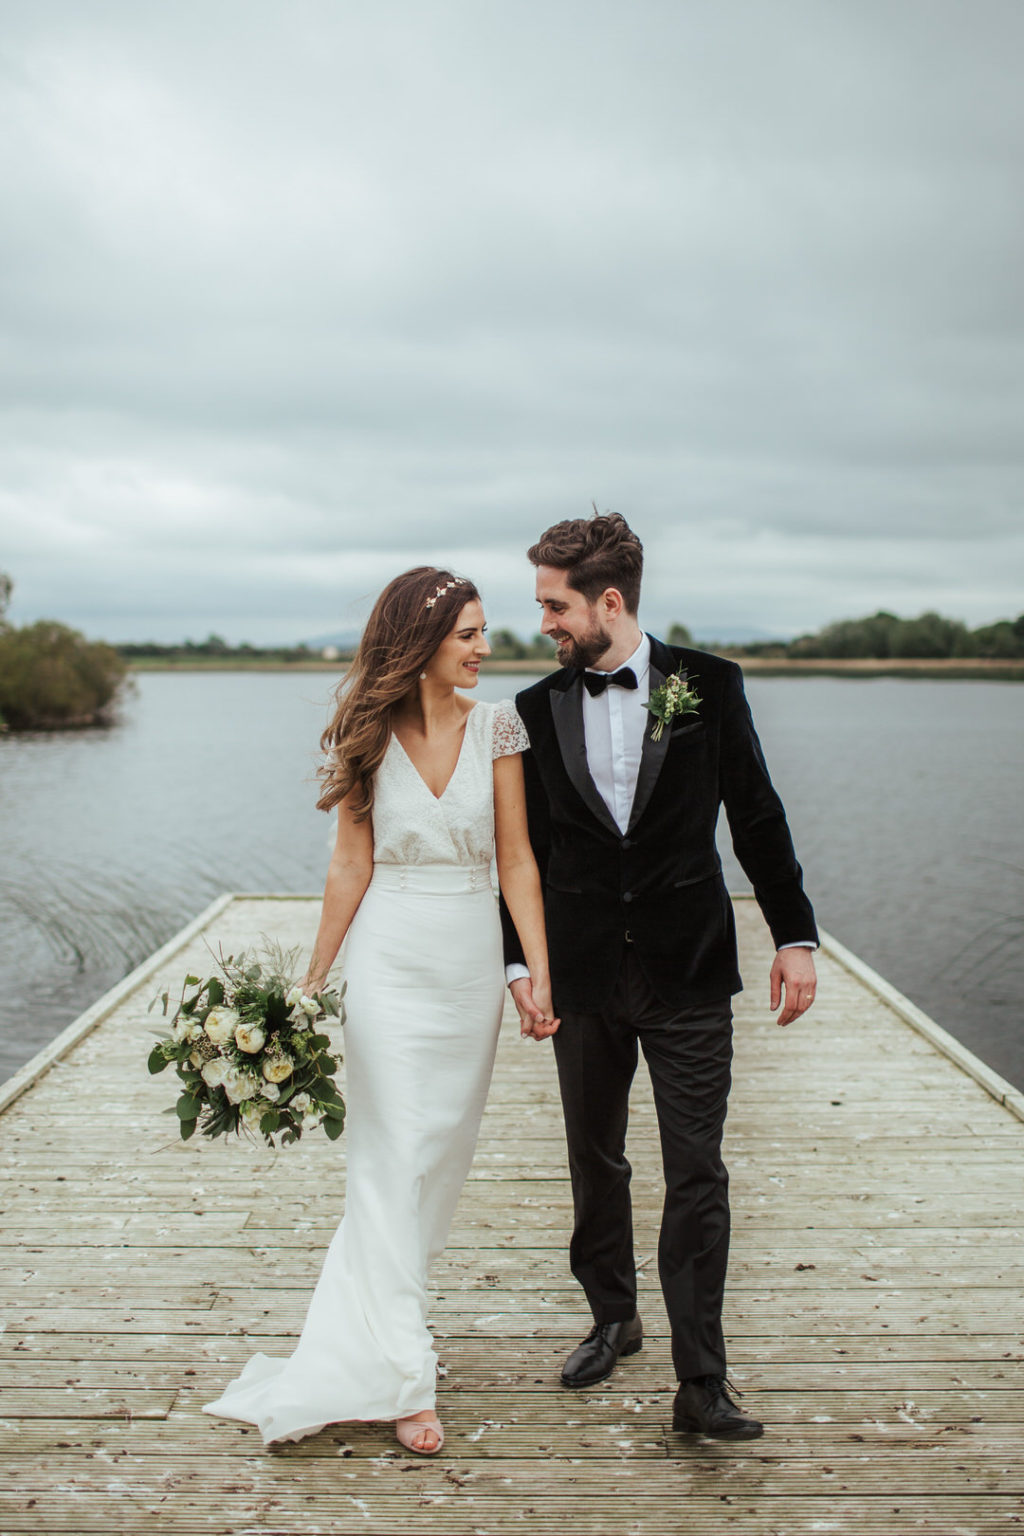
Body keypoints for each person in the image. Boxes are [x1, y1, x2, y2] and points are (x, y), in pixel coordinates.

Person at [204, 567, 557, 1455]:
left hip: (468, 971)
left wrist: (537, 971)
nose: (485, 647)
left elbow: (517, 860)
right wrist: (311, 982)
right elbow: (348, 869)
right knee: (387, 1159)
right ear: (424, 640)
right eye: (469, 633)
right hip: (390, 966)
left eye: (486, 631)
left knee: (433, 1165)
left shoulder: (501, 726)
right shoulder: (371, 734)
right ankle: (406, 1376)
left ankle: (376, 1337)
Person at [502, 513, 817, 1441]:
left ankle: (702, 1378)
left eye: (555, 606)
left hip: (687, 969)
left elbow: (756, 813)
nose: (544, 624)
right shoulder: (529, 709)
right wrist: (522, 962)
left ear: (610, 601)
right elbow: (521, 852)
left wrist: (793, 936)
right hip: (585, 973)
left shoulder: (708, 687)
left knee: (696, 1171)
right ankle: (612, 1316)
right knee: (594, 1157)